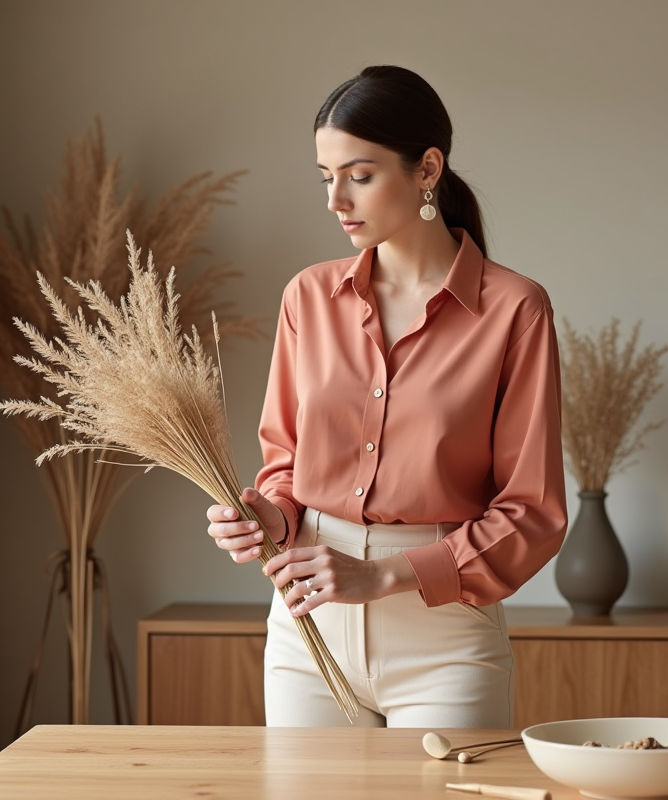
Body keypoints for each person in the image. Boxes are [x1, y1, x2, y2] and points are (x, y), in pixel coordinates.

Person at [206, 65, 567, 728]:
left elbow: (531, 513)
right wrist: (267, 518)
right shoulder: (307, 298)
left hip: (444, 639)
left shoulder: (515, 310)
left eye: (359, 175)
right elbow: (286, 465)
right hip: (307, 631)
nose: (335, 200)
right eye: (326, 177)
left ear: (427, 168)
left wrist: (383, 576)